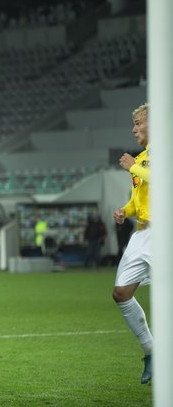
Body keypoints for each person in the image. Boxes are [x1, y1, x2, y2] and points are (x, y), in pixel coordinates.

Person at [111, 103, 153, 385]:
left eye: (139, 122)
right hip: (143, 233)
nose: (133, 128)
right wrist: (126, 210)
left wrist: (134, 166)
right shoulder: (143, 158)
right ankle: (152, 351)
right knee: (121, 292)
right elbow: (140, 200)